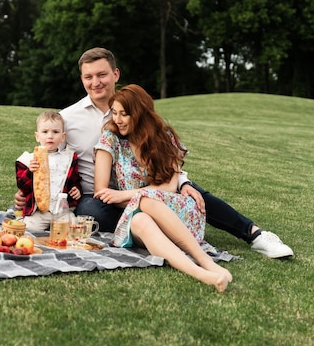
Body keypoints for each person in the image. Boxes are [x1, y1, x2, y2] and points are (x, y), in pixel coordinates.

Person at [15, 47, 293, 259]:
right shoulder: (68, 118)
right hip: (99, 197)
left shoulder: (133, 108)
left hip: (147, 187)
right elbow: (46, 155)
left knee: (194, 192)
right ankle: (166, 233)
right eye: (88, 77)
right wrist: (26, 188)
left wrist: (181, 182)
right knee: (90, 211)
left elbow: (158, 151)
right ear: (82, 79)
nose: (95, 82)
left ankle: (255, 234)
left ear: (116, 74)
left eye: (101, 74)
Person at [93, 84, 232, 291]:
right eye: (114, 113)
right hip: (135, 215)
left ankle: (205, 261)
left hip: (174, 211)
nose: (117, 120)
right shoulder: (111, 138)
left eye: (124, 114)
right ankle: (204, 274)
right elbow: (102, 191)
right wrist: (136, 198)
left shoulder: (164, 136)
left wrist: (129, 195)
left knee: (147, 200)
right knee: (140, 219)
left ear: (139, 114)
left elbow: (169, 186)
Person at [15, 111, 82, 230]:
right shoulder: (28, 160)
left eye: (55, 132)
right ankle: (22, 219)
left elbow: (75, 180)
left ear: (63, 137)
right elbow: (22, 186)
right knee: (29, 229)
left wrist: (77, 189)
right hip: (39, 212)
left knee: (74, 228)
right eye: (45, 132)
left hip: (62, 210)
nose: (50, 136)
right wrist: (30, 172)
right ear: (37, 136)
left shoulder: (69, 158)